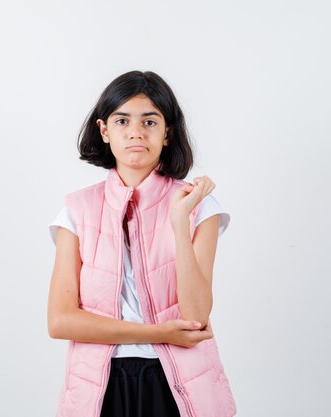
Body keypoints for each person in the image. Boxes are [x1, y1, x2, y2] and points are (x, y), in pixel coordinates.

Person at [47, 71, 237, 417]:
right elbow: (60, 321)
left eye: (150, 121)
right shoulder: (76, 209)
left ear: (168, 133)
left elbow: (196, 316)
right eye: (122, 120)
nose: (135, 131)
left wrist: (179, 222)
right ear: (104, 131)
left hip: (178, 382)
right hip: (100, 385)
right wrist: (157, 332)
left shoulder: (200, 206)